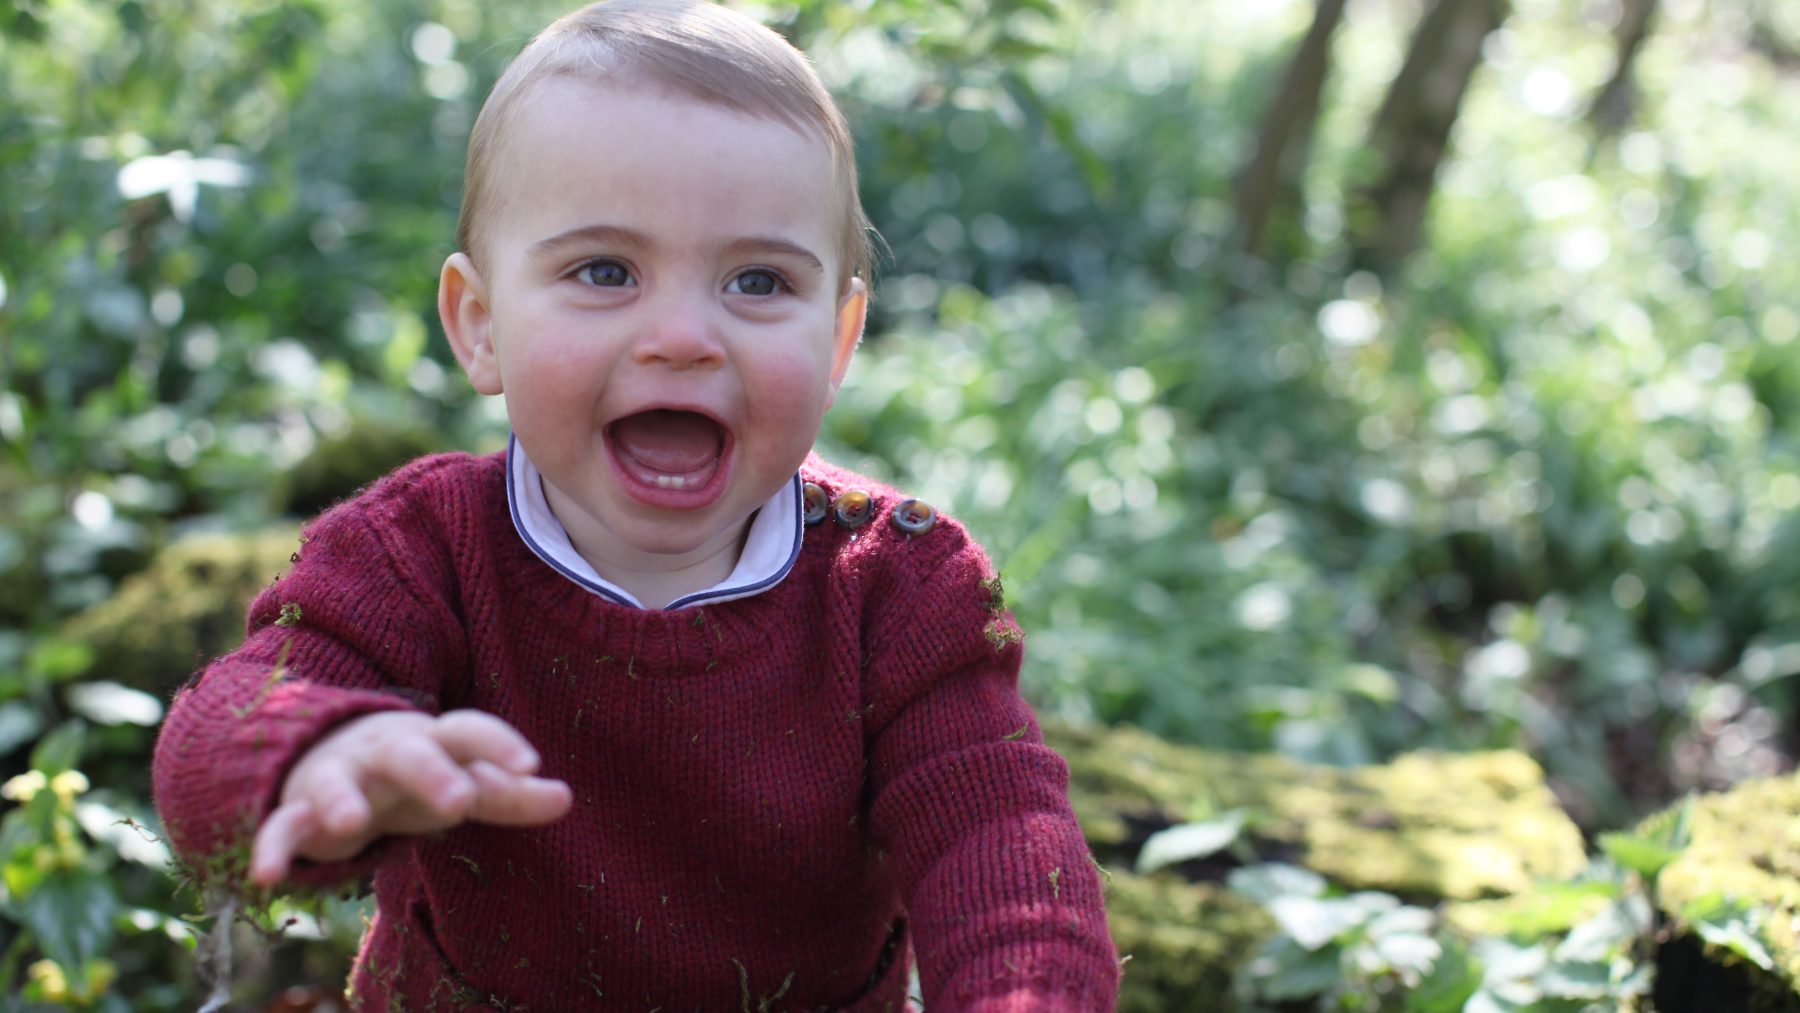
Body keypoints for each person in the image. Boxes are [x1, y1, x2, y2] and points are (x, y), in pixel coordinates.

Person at [151, 1, 1120, 1009]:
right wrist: (313, 746)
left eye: (756, 279)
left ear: (837, 344)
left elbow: (1002, 839)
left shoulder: (899, 588)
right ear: (480, 326)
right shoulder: (418, 552)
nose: (684, 335)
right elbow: (222, 725)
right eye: (605, 270)